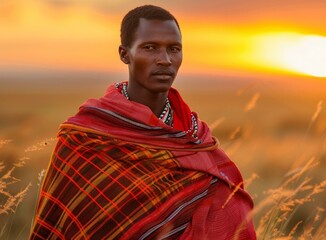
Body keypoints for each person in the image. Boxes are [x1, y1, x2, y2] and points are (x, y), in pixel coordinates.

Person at [30, 5, 256, 240]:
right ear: (124, 54)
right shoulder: (84, 138)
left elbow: (229, 210)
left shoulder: (193, 137)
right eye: (150, 48)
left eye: (174, 49)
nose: (165, 60)